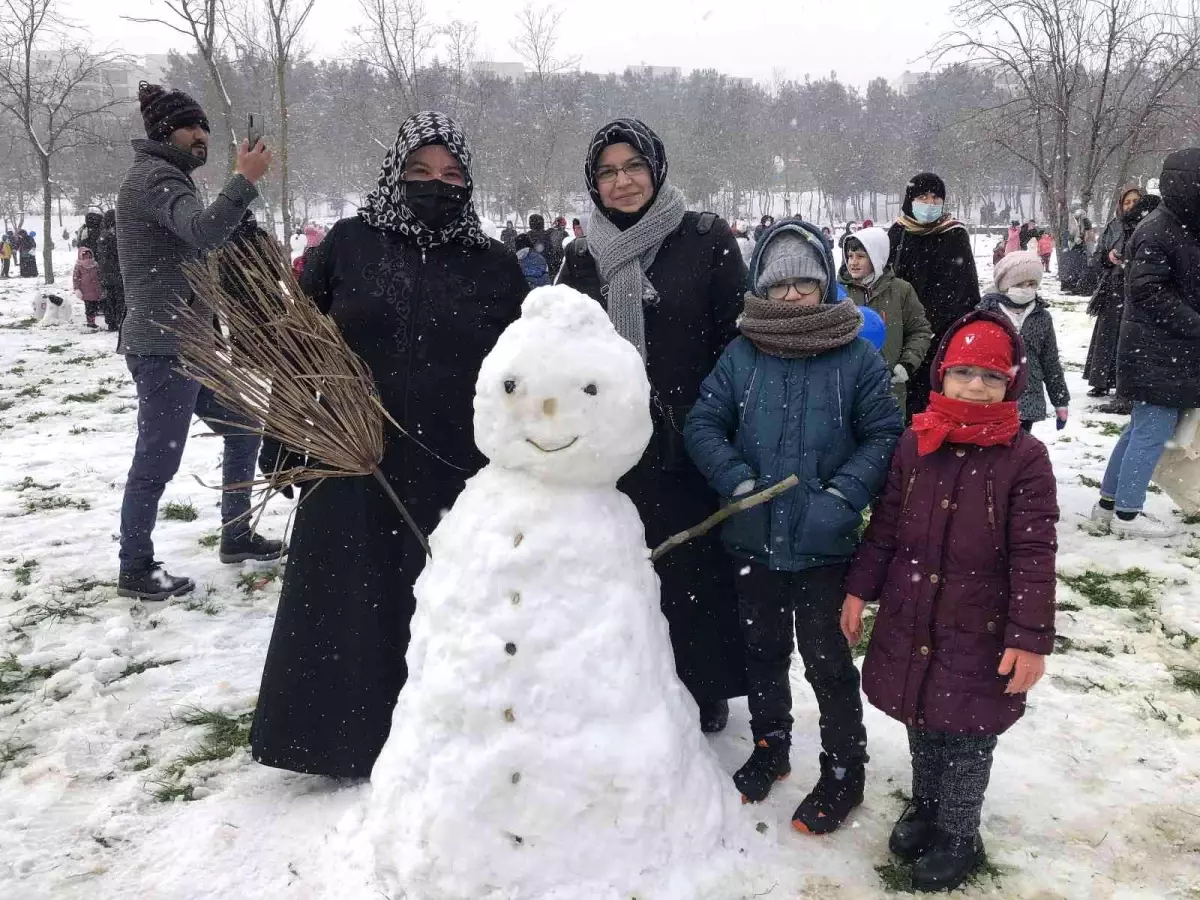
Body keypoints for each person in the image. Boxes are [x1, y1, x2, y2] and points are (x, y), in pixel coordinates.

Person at [250, 111, 528, 779]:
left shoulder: (493, 265)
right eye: (420, 172)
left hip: (454, 465)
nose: (437, 185)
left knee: (437, 604)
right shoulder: (350, 244)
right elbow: (298, 344)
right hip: (352, 459)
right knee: (347, 601)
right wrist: (287, 438)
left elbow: (523, 366)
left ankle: (440, 740)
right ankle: (337, 742)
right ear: (394, 175)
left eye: (452, 176)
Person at [685, 218, 903, 834]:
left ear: (825, 284)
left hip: (824, 548)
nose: (792, 296)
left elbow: (885, 433)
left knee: (828, 661)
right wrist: (737, 481)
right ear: (761, 286)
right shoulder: (742, 354)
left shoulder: (855, 356)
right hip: (752, 540)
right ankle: (771, 743)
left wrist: (841, 496)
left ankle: (843, 768)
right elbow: (703, 425)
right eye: (779, 285)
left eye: (805, 283)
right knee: (762, 651)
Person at [842, 310, 1058, 893]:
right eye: (964, 372)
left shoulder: (1024, 458)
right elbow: (885, 527)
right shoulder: (917, 442)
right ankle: (928, 806)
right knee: (922, 717)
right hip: (914, 613)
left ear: (1011, 384)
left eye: (991, 377)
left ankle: (960, 831)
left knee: (966, 733)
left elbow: (1035, 555)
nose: (976, 386)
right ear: (942, 374)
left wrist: (1029, 638)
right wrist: (860, 590)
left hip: (978, 625)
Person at [556, 117, 748, 732]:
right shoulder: (581, 257)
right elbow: (556, 347)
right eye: (608, 172)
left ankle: (702, 684)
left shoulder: (705, 238)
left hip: (690, 439)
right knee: (620, 566)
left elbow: (734, 339)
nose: (622, 182)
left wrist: (717, 424)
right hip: (609, 449)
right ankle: (625, 681)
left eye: (634, 166)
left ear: (657, 168)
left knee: (692, 565)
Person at [115, 81, 280, 601]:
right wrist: (243, 181)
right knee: (156, 461)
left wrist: (242, 218)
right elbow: (203, 231)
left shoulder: (170, 179)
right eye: (192, 127)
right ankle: (135, 566)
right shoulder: (157, 179)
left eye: (205, 128)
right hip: (166, 347)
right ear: (167, 130)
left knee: (243, 425)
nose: (201, 136)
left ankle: (236, 535)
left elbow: (198, 236)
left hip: (191, 346)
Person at [1090, 148, 1200, 541]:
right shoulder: (1160, 229)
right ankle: (1127, 514)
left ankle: (1109, 504)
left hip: (1167, 352)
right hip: (1157, 352)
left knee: (1140, 428)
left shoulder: (1182, 226)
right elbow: (1149, 291)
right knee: (1151, 431)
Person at [887, 172, 981, 416]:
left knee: (937, 399)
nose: (930, 203)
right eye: (922, 196)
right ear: (910, 199)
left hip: (943, 331)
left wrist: (951, 325)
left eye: (935, 198)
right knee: (901, 400)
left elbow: (967, 287)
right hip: (904, 332)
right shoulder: (898, 233)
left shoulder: (954, 234)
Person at [839, 227, 932, 420]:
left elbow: (920, 331)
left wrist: (906, 364)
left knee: (888, 441)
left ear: (876, 256)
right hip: (845, 387)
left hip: (889, 389)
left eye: (860, 256)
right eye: (850, 256)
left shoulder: (901, 291)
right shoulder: (838, 292)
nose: (853, 262)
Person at [977, 250, 1069, 433]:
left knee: (1018, 452)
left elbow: (1050, 361)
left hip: (1028, 398)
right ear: (1005, 284)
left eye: (1032, 284)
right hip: (993, 396)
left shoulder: (1041, 317)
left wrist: (1060, 401)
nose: (1027, 289)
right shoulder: (987, 314)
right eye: (1020, 283)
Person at [1084, 186, 1145, 398]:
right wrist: (1108, 257)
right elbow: (1097, 256)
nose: (1131, 205)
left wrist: (1129, 262)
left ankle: (1126, 384)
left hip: (1137, 288)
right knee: (1107, 334)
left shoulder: (1149, 226)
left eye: (1136, 201)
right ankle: (1101, 381)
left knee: (1129, 337)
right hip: (1113, 287)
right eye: (1127, 202)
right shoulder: (1114, 225)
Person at [95, 210, 124, 332]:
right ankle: (118, 319)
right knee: (119, 297)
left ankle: (111, 321)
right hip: (116, 272)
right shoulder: (115, 235)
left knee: (108, 297)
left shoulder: (102, 236)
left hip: (105, 273)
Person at [72, 246, 104, 329]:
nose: (87, 258)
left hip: (95, 289)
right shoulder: (78, 266)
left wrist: (101, 285)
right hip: (85, 291)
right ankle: (90, 322)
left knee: (94, 306)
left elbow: (99, 275)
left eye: (89, 256)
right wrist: (77, 288)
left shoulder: (95, 264)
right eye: (85, 256)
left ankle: (92, 320)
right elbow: (75, 278)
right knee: (89, 307)